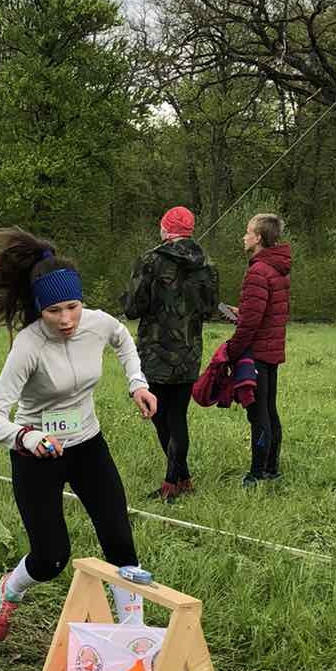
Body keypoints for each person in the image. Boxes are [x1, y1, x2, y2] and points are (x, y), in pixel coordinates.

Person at [0, 229, 158, 642]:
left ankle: (134, 639)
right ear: (40, 308)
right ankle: (9, 590)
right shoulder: (28, 346)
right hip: (37, 456)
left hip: (88, 446)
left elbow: (122, 339)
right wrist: (27, 438)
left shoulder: (98, 324)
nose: (66, 320)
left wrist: (137, 384)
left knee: (120, 543)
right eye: (54, 310)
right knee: (51, 557)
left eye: (73, 307)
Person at [120, 205, 219, 501]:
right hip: (189, 349)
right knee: (176, 415)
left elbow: (132, 308)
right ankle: (183, 479)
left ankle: (170, 484)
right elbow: (211, 309)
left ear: (165, 229)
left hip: (155, 350)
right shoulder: (207, 265)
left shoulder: (150, 261)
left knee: (162, 416)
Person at [222, 213, 291, 487]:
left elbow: (251, 323)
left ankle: (257, 472)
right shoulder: (276, 268)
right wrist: (244, 311)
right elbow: (265, 311)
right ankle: (271, 467)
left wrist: (232, 350)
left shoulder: (258, 270)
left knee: (258, 414)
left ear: (259, 237)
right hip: (271, 350)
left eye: (248, 231)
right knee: (269, 410)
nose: (244, 236)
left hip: (259, 352)